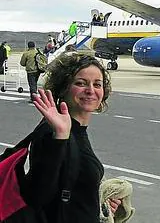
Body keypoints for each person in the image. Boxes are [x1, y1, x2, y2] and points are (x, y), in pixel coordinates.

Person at [21, 52, 121, 222]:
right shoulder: (52, 131)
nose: (90, 91)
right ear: (64, 87)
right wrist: (60, 137)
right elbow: (37, 196)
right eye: (81, 83)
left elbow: (71, 184)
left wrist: (98, 201)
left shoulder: (78, 129)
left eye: (97, 84)